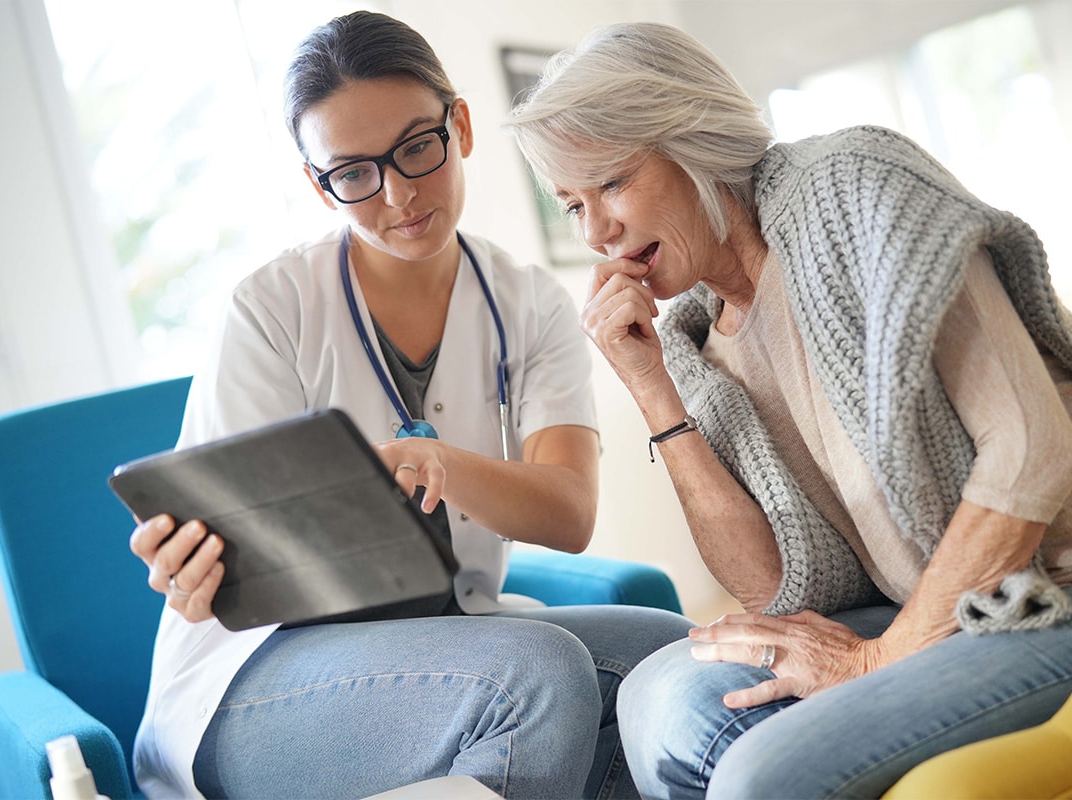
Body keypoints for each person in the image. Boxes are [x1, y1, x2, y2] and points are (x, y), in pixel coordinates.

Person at [507, 21, 1072, 800]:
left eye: (613, 182)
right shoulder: (698, 337)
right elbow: (774, 592)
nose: (596, 231)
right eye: (570, 206)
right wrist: (651, 387)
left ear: (690, 139)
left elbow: (1033, 450)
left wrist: (874, 660)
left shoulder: (854, 187)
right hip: (961, 603)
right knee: (660, 698)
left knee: (761, 777)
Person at [127, 12, 692, 799]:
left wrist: (440, 464)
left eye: (415, 148)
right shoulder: (271, 307)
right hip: (256, 677)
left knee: (684, 661)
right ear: (317, 184)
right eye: (352, 173)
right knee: (535, 680)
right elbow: (226, 538)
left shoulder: (528, 302)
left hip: (449, 638)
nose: (397, 194)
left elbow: (568, 514)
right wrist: (192, 567)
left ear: (458, 124)